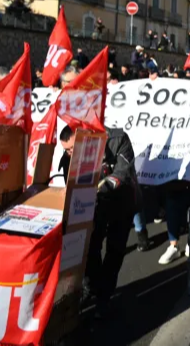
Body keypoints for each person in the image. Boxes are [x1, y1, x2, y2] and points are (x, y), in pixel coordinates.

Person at [58, 125, 137, 317]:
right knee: (90, 247)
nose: (69, 154)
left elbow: (123, 173)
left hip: (122, 200)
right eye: (66, 150)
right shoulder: (69, 156)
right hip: (94, 205)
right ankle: (91, 286)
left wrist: (101, 187)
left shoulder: (118, 139)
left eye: (71, 149)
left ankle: (104, 297)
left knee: (115, 251)